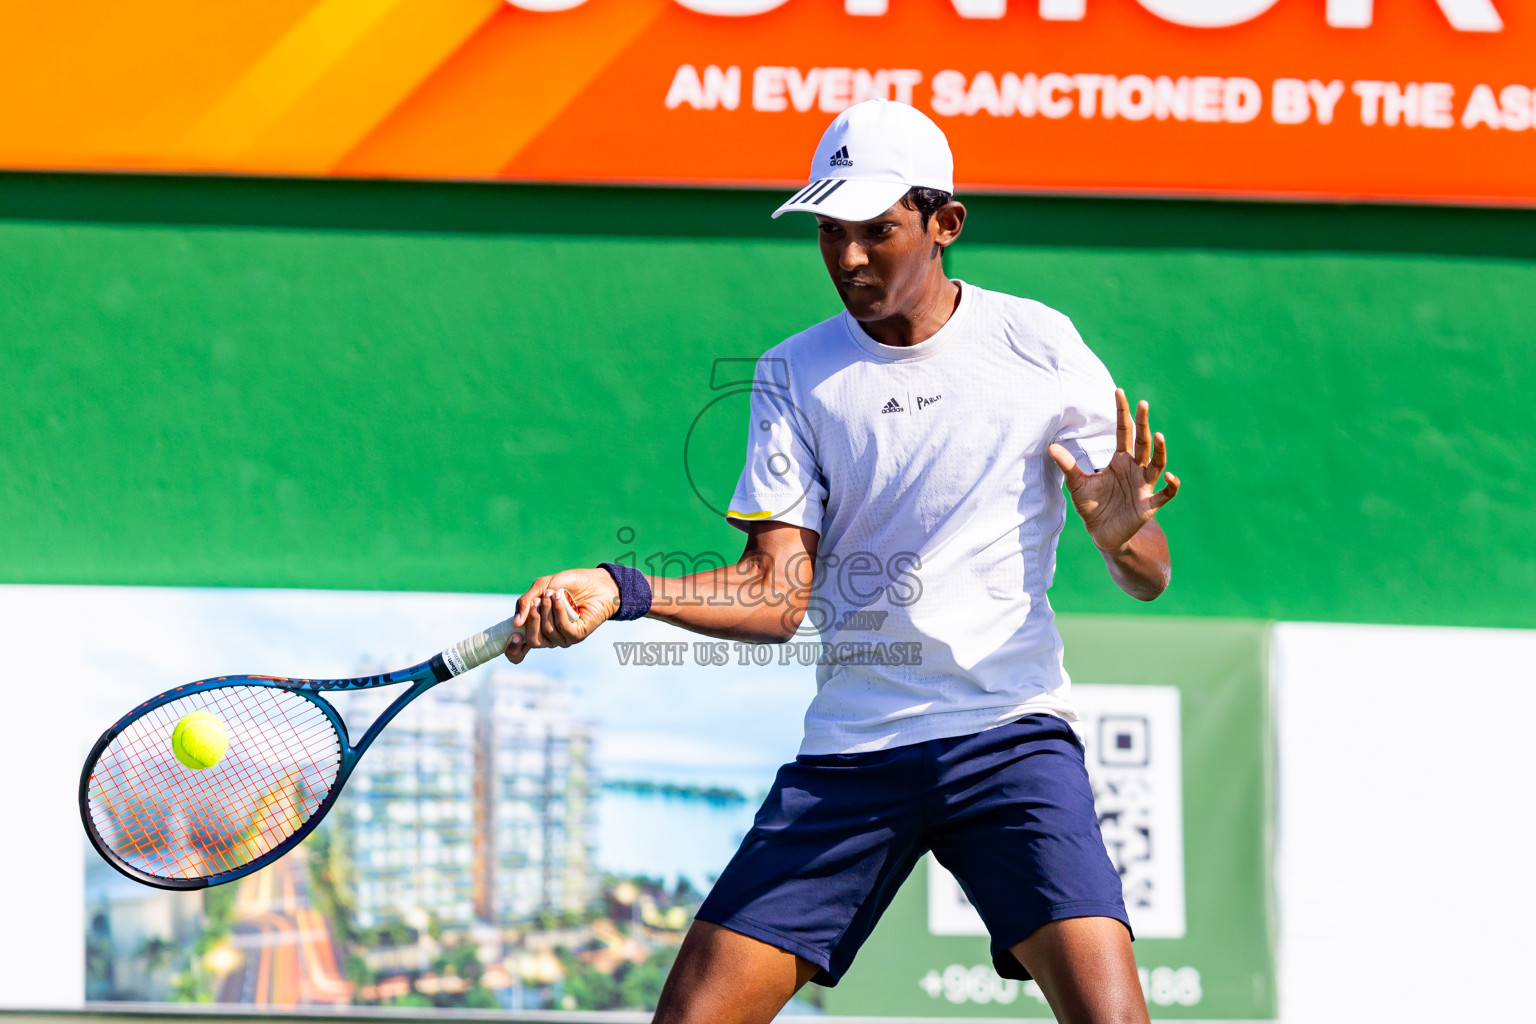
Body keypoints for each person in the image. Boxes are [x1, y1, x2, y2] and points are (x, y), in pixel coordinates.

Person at [501, 99, 1179, 1024]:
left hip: (1010, 735)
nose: (849, 258)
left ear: (945, 225)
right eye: (830, 231)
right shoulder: (793, 374)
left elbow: (1150, 571)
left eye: (877, 231)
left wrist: (1118, 532)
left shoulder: (1042, 344)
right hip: (856, 754)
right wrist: (622, 590)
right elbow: (776, 596)